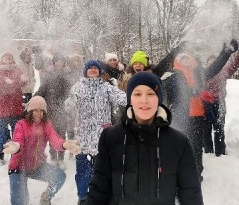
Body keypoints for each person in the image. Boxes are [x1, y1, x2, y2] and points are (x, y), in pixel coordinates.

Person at [87, 72, 204, 205]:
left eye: (150, 94)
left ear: (159, 99)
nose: (144, 100)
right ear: (130, 99)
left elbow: (190, 193)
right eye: (137, 94)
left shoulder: (179, 142)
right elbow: (99, 188)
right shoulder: (110, 137)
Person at [167, 39, 238, 180]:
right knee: (182, 148)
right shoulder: (174, 76)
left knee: (197, 148)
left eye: (187, 57)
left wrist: (225, 53)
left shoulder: (198, 74)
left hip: (198, 117)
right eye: (182, 58)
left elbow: (215, 68)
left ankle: (196, 173)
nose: (185, 60)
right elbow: (171, 93)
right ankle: (179, 176)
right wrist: (189, 91)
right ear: (177, 61)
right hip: (182, 119)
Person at [65, 60, 127, 205]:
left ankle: (103, 197)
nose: (93, 70)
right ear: (85, 71)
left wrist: (140, 98)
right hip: (83, 139)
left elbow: (124, 99)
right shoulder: (77, 87)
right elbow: (68, 107)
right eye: (90, 68)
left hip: (103, 138)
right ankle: (82, 198)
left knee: (103, 172)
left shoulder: (106, 87)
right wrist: (70, 100)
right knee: (83, 174)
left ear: (100, 71)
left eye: (95, 68)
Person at [6, 96, 81, 205]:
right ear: (30, 111)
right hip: (18, 168)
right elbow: (18, 140)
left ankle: (46, 197)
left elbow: (55, 139)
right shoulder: (21, 124)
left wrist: (65, 144)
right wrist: (16, 147)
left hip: (37, 166)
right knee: (20, 202)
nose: (38, 113)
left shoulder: (46, 125)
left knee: (60, 176)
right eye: (35, 110)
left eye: (41, 111)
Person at [34, 53, 71, 170]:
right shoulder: (48, 75)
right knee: (52, 134)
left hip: (64, 109)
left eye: (61, 61)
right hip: (51, 109)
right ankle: (53, 157)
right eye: (57, 61)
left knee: (62, 134)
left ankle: (61, 158)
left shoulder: (68, 75)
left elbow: (72, 91)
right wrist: (34, 99)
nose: (59, 63)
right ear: (54, 63)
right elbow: (41, 90)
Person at [201, 50, 239, 156]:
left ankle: (220, 151)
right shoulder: (204, 74)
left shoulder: (224, 72)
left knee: (219, 128)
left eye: (215, 61)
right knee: (206, 128)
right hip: (206, 105)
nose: (213, 63)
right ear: (207, 64)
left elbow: (234, 65)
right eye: (210, 61)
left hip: (220, 104)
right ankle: (208, 150)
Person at [0, 51, 26, 165]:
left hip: (16, 107)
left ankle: (16, 155)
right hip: (2, 108)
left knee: (17, 133)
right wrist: (9, 82)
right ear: (1, 59)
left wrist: (22, 80)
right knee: (2, 133)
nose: (8, 58)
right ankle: (0, 155)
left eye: (10, 57)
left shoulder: (17, 70)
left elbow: (22, 84)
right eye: (5, 57)